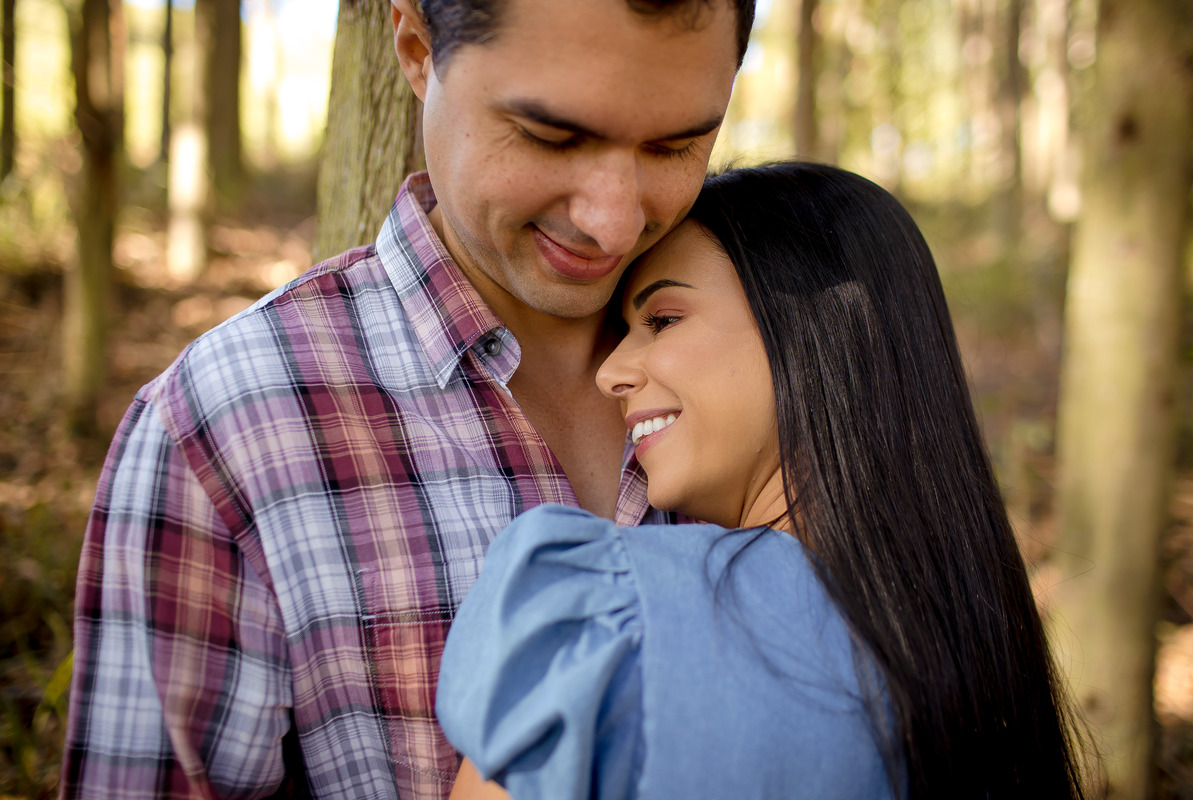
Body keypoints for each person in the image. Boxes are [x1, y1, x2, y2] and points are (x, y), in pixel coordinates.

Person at [60, 0, 756, 797]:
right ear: (418, 47)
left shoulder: (793, 366)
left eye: (676, 144)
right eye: (552, 136)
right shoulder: (221, 434)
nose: (613, 219)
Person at [436, 162, 1090, 799]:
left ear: (820, 332)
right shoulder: (976, 651)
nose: (611, 373)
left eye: (662, 320)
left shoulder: (615, 621)